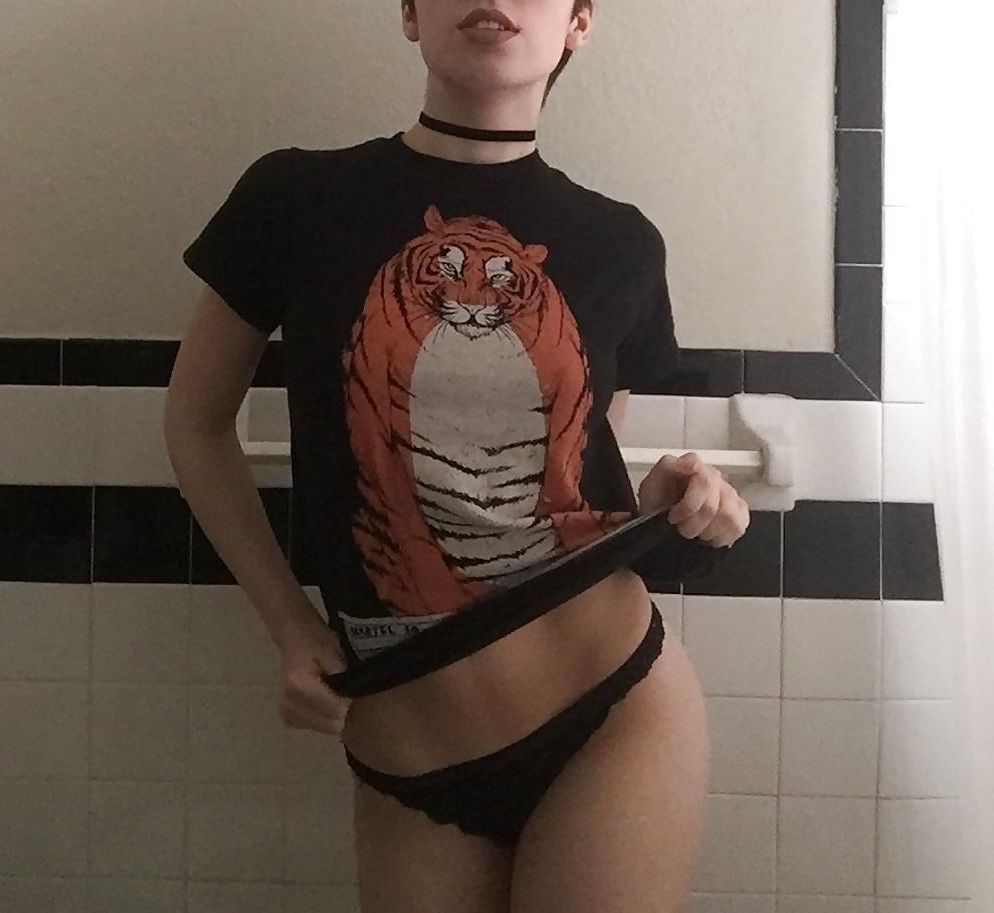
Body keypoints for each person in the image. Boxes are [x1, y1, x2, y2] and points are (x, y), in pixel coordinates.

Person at [164, 1, 750, 910]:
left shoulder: (621, 242)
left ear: (580, 21)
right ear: (409, 12)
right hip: (407, 750)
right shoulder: (293, 197)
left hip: (609, 708)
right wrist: (290, 626)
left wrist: (666, 505)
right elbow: (196, 423)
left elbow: (570, 482)